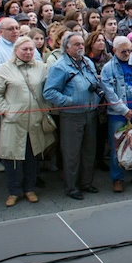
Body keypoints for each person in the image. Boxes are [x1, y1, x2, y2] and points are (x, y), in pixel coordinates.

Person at [0, 36, 53, 207]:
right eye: (24, 49)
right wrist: (7, 112)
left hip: (35, 121)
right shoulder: (5, 69)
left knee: (33, 156)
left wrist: (45, 108)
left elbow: (47, 89)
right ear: (16, 50)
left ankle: (30, 189)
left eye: (31, 49)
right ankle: (14, 191)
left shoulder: (41, 67)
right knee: (13, 158)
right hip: (14, 122)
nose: (28, 52)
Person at [43, 32, 102, 200]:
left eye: (82, 44)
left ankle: (86, 182)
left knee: (89, 151)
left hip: (90, 113)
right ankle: (71, 187)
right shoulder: (60, 66)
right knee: (71, 153)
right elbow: (49, 92)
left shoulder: (87, 62)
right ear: (66, 47)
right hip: (71, 115)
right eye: (76, 44)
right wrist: (69, 101)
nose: (80, 47)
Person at [99, 36, 132, 191]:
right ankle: (117, 178)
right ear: (114, 50)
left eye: (129, 50)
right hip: (118, 115)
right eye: (124, 51)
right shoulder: (108, 68)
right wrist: (123, 110)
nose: (127, 53)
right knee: (118, 148)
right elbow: (109, 92)